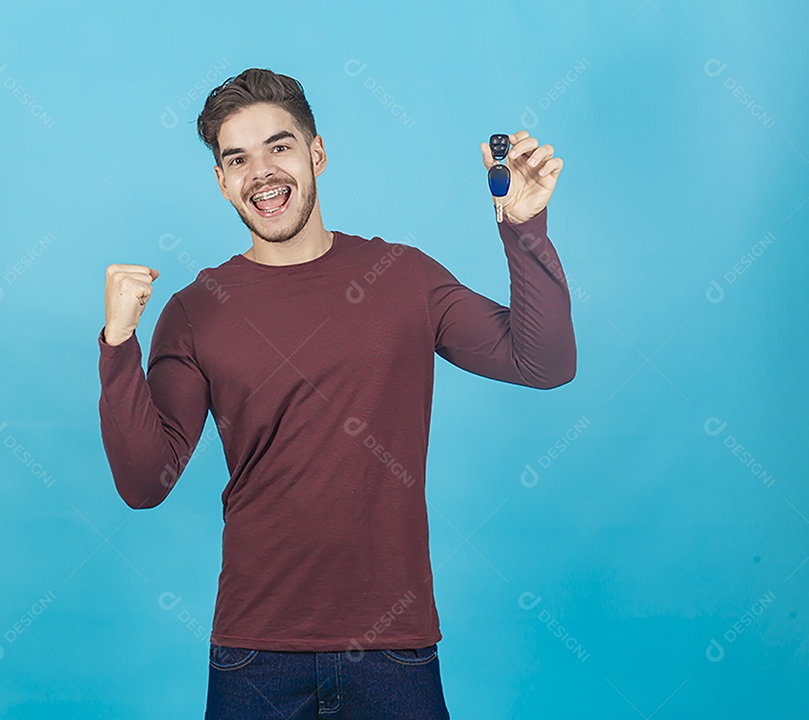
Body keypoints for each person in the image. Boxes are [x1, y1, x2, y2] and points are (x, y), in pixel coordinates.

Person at [97, 67, 576, 719]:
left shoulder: (404, 278)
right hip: (255, 655)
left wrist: (525, 228)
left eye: (279, 146)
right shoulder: (193, 311)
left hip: (394, 653)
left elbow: (544, 361)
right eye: (238, 159)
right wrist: (118, 342)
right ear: (221, 180)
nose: (261, 172)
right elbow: (143, 483)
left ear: (317, 153)